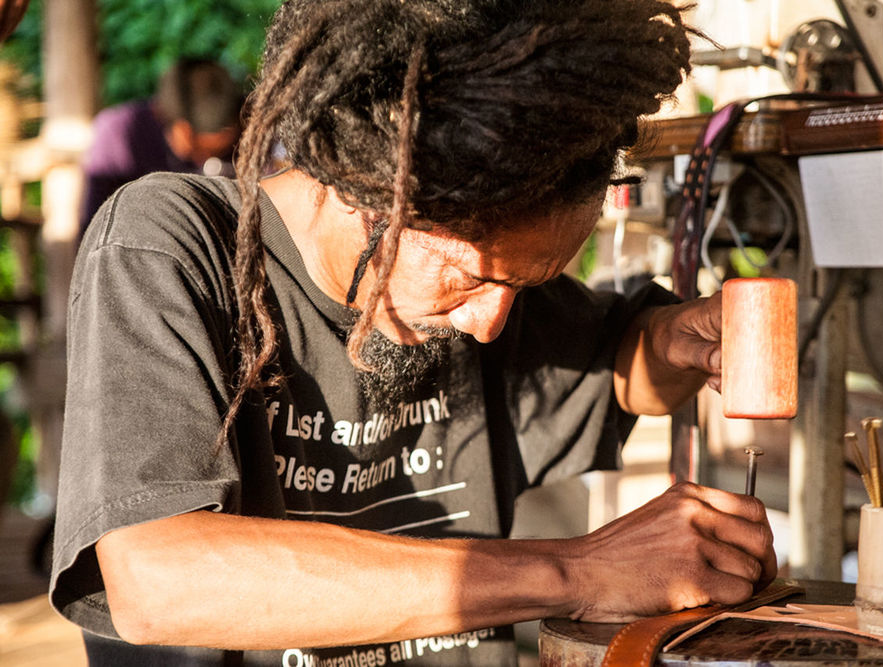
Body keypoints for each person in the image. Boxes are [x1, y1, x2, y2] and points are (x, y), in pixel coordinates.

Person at [51, 1, 778, 665]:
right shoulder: (169, 246)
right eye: (472, 277)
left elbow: (615, 366)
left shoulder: (472, 268)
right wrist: (579, 568)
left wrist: (680, 338)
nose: (491, 322)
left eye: (522, 284)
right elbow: (156, 575)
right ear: (366, 190)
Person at [78, 58, 243, 236]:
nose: (209, 159)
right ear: (183, 132)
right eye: (206, 150)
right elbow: (94, 232)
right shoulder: (119, 136)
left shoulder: (251, 128)